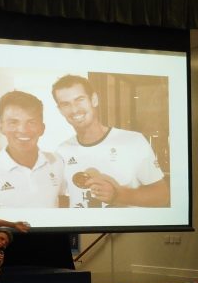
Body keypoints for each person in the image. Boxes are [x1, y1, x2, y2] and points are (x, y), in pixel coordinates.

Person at [51, 74, 168, 207]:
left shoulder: (133, 141)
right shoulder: (62, 151)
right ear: (60, 110)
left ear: (94, 100)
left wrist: (117, 195)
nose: (74, 109)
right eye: (65, 104)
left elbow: (162, 196)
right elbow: (62, 197)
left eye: (80, 100)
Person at [0, 90, 67, 209]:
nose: (23, 130)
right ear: (1, 127)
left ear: (42, 128)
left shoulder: (57, 161)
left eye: (31, 122)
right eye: (13, 122)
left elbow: (62, 201)